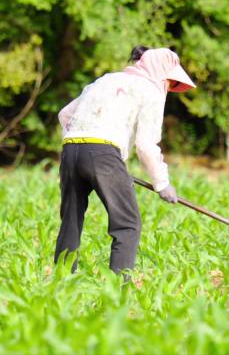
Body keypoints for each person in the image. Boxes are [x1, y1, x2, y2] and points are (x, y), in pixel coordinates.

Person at [55, 46, 196, 274]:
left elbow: (65, 114)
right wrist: (162, 183)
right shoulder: (150, 90)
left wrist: (87, 147)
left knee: (70, 219)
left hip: (71, 148)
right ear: (160, 73)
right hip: (103, 154)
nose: (168, 87)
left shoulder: (106, 80)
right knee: (128, 224)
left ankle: (61, 283)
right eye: (169, 81)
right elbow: (146, 145)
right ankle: (119, 292)